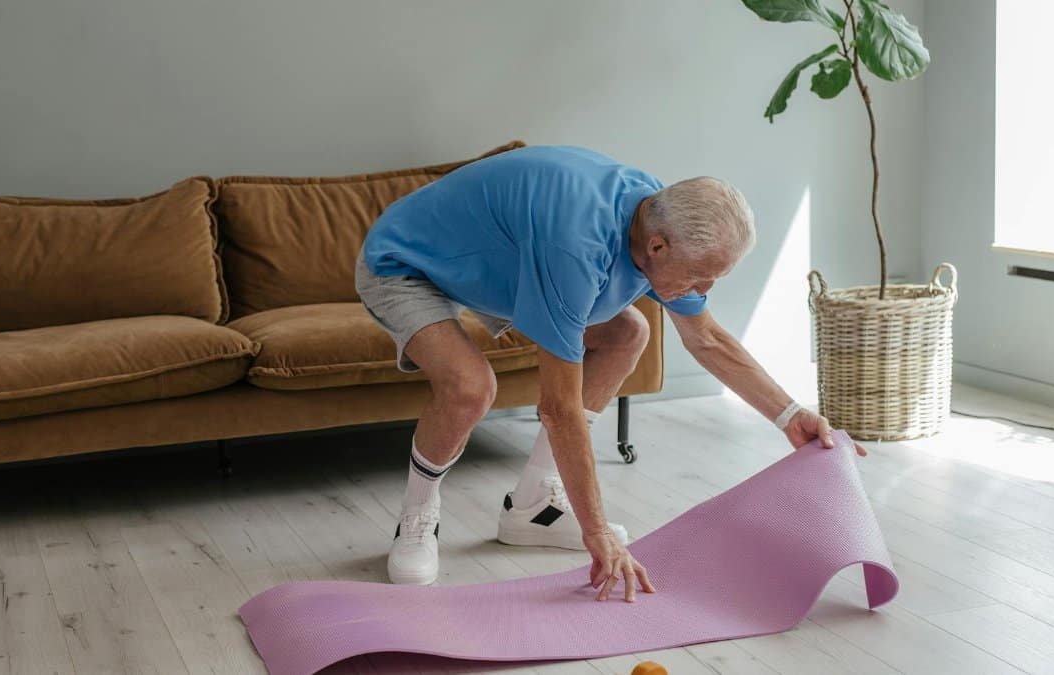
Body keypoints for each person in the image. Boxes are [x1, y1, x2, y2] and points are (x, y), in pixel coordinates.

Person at [354, 144, 869, 601]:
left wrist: (789, 414)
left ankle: (532, 507)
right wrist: (596, 534)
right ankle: (417, 519)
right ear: (659, 248)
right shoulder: (575, 246)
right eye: (700, 274)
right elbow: (558, 409)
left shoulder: (652, 214)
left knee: (629, 334)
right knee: (471, 386)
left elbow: (706, 337)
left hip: (494, 266)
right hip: (407, 262)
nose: (704, 288)